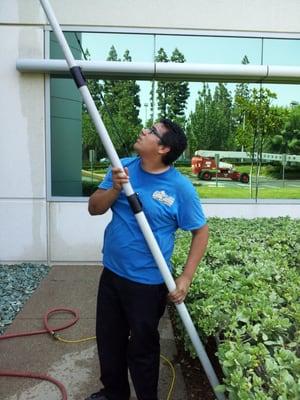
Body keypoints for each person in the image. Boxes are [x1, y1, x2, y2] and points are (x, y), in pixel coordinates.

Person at [86, 119, 209, 400]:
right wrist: (115, 188)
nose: (143, 130)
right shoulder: (123, 167)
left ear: (164, 148)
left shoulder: (180, 187)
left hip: (147, 284)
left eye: (152, 131)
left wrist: (186, 277)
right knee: (109, 342)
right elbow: (94, 208)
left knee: (142, 349)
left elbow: (201, 231)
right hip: (112, 274)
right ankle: (113, 393)